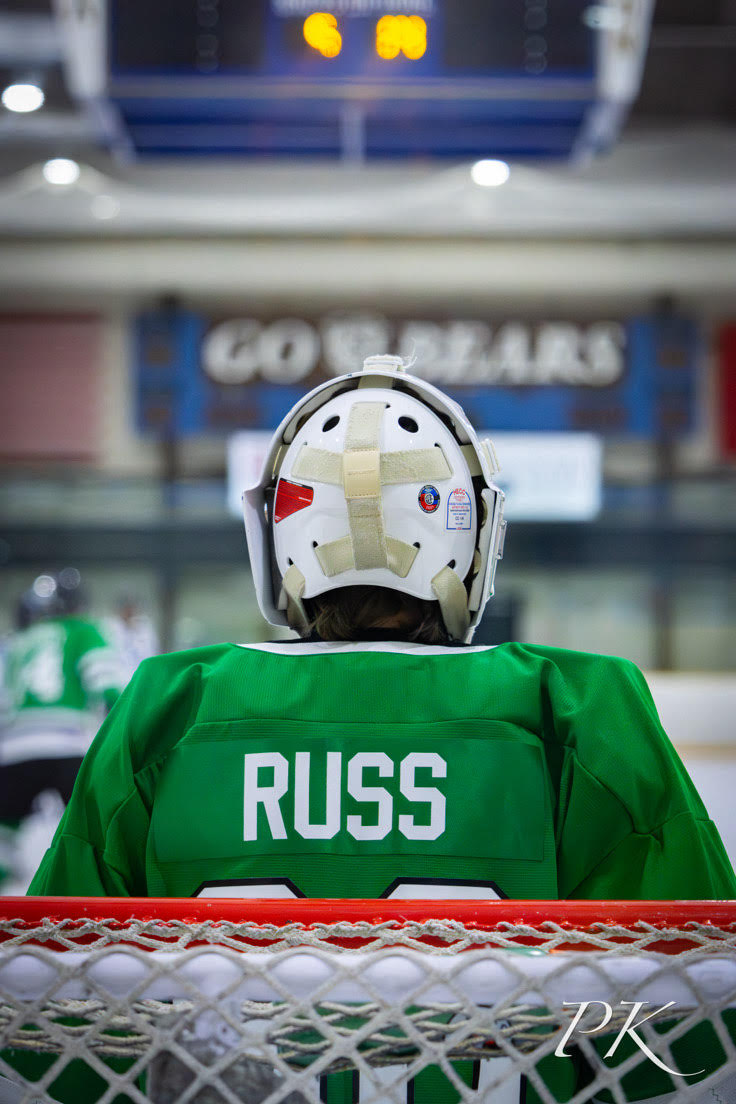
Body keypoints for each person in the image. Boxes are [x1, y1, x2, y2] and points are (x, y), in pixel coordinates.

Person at [26, 356, 736, 1102]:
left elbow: (60, 1030)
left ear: (281, 536)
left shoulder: (168, 706)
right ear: (471, 534)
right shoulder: (578, 706)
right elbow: (688, 1029)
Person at [0, 568, 126, 893]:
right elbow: (107, 685)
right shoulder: (85, 631)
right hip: (68, 743)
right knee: (91, 825)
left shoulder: (19, 641)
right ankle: (92, 895)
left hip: (13, 748)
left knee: (5, 829)